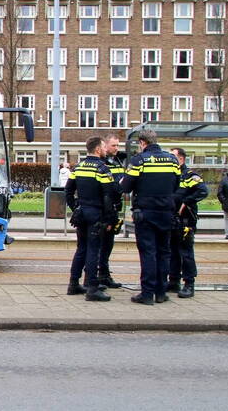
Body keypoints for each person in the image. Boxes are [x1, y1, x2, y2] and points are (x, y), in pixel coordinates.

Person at [120, 129, 181, 305]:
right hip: (166, 212)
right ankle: (161, 292)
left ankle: (147, 294)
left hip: (145, 213)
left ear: (142, 142)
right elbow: (176, 184)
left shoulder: (139, 160)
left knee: (148, 253)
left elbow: (126, 186)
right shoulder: (172, 160)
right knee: (164, 252)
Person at [65, 136, 120, 302]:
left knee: (81, 248)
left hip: (81, 213)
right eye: (103, 147)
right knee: (93, 250)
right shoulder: (102, 169)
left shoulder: (79, 167)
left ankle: (73, 284)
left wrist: (75, 208)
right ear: (97, 149)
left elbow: (68, 191)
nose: (105, 150)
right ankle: (92, 288)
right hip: (96, 214)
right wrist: (110, 219)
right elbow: (109, 195)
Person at [167, 147, 208, 298]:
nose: (169, 159)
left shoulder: (190, 175)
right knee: (172, 251)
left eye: (172, 156)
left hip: (185, 220)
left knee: (186, 253)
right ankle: (173, 281)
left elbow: (203, 191)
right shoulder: (171, 175)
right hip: (172, 219)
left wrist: (186, 201)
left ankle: (189, 283)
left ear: (181, 159)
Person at [97, 132, 125, 289]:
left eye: (118, 145)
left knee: (108, 245)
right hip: (104, 210)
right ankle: (97, 276)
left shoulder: (116, 162)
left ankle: (105, 274)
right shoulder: (102, 164)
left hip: (114, 208)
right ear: (105, 145)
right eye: (114, 145)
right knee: (100, 245)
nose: (116, 148)